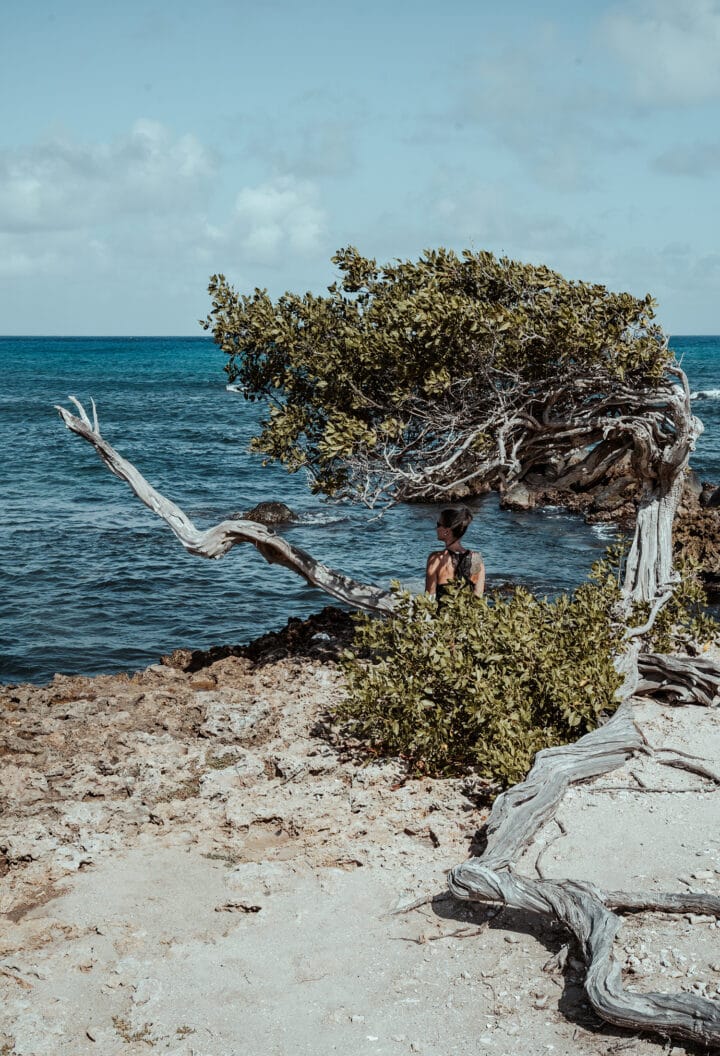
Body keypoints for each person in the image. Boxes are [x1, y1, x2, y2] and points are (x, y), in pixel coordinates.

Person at [425, 506, 485, 601]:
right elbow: (478, 597)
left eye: (438, 524)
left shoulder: (435, 558)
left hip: (441, 615)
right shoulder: (477, 558)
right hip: (467, 615)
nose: (436, 528)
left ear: (447, 531)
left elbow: (429, 598)